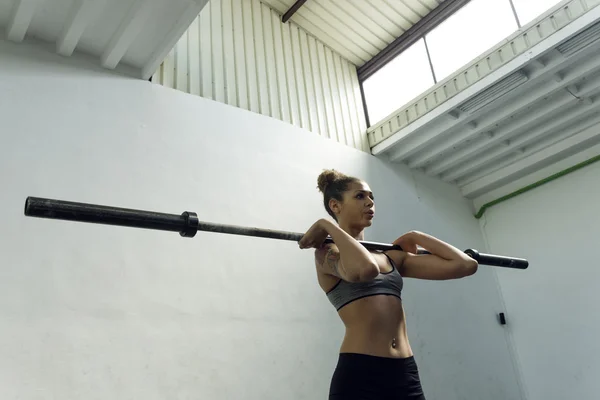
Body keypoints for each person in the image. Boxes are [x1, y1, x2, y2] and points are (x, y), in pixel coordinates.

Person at [298, 169, 479, 400]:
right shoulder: (327, 253)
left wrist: (415, 236)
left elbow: (465, 265)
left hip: (404, 373)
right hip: (360, 374)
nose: (370, 202)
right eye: (360, 196)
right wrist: (327, 226)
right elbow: (364, 269)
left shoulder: (389, 257)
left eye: (371, 196)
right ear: (335, 206)